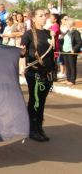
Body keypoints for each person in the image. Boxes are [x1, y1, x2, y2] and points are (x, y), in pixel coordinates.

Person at [21, 8, 55, 142]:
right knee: (35, 101)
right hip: (34, 72)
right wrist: (21, 52)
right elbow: (22, 53)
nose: (44, 18)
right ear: (33, 18)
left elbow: (51, 54)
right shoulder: (28, 34)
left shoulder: (48, 33)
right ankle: (32, 129)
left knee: (42, 101)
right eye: (40, 16)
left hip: (47, 73)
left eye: (45, 15)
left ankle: (39, 127)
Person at [61, 18, 82, 86]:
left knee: (72, 66)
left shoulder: (75, 32)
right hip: (65, 51)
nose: (65, 24)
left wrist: (74, 49)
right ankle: (68, 79)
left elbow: (79, 43)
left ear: (70, 24)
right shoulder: (67, 32)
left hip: (71, 51)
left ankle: (72, 80)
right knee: (67, 66)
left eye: (66, 23)